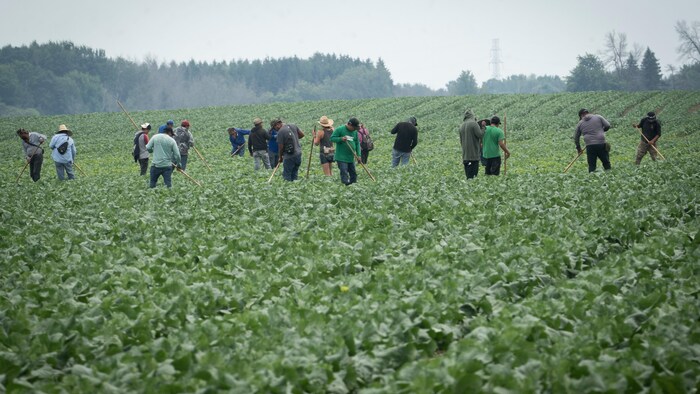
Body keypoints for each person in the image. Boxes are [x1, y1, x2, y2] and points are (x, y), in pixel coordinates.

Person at [574, 108, 611, 172]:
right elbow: (608, 125)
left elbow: (576, 137)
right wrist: (602, 130)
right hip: (601, 143)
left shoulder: (580, 123)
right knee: (606, 162)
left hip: (590, 146)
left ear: (581, 116)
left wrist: (578, 148)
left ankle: (592, 178)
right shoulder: (598, 117)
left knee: (592, 165)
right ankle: (610, 175)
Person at [330, 118, 362, 185]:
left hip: (350, 157)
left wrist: (359, 155)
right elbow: (332, 138)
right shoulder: (340, 129)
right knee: (344, 172)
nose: (354, 129)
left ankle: (354, 185)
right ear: (349, 124)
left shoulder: (355, 132)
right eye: (354, 128)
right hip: (341, 157)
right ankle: (345, 186)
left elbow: (357, 143)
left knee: (353, 172)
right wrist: (341, 139)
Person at [459, 109, 485, 179]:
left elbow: (461, 141)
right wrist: (483, 128)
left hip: (465, 156)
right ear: (472, 115)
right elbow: (480, 135)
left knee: (468, 176)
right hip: (473, 156)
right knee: (474, 177)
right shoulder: (474, 123)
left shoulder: (462, 125)